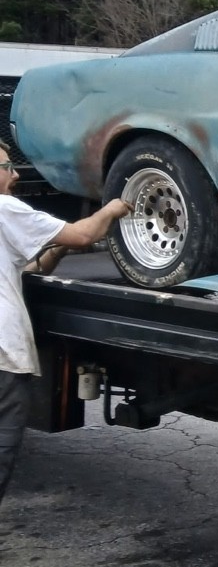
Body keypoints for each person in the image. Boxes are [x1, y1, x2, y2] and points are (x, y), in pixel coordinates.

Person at [0, 140, 131, 504]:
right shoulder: (4, 208)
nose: (14, 174)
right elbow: (85, 234)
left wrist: (56, 247)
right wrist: (112, 208)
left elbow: (26, 269)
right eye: (7, 167)